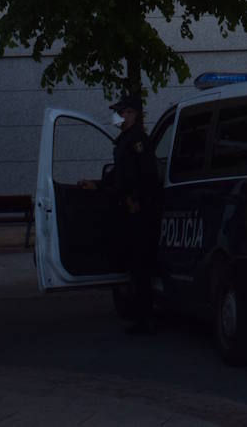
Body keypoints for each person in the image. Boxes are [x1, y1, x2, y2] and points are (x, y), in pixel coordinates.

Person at [108, 93, 163, 335]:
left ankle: (146, 317)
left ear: (133, 114)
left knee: (141, 265)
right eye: (120, 113)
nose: (120, 116)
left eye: (124, 112)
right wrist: (98, 185)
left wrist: (137, 200)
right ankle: (140, 314)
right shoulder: (125, 140)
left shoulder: (138, 141)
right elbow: (119, 174)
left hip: (139, 211)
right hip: (127, 208)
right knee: (134, 264)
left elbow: (148, 175)